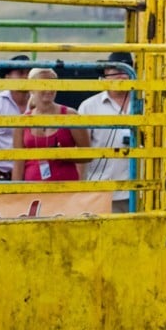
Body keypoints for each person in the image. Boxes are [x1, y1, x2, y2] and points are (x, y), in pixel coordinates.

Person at [12, 68, 90, 181]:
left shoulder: (71, 115)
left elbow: (88, 155)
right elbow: (18, 163)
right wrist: (15, 194)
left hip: (65, 190)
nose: (49, 89)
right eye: (44, 84)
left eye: (53, 84)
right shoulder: (22, 122)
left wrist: (62, 154)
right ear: (31, 88)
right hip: (33, 191)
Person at [78, 52, 134, 212]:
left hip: (139, 189)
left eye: (126, 71)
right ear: (105, 74)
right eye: (115, 71)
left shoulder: (146, 103)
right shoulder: (89, 107)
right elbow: (82, 152)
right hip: (100, 189)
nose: (121, 76)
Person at [0, 55, 31, 180]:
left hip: (27, 176)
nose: (26, 77)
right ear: (7, 77)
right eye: (21, 73)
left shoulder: (38, 106)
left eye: (29, 73)